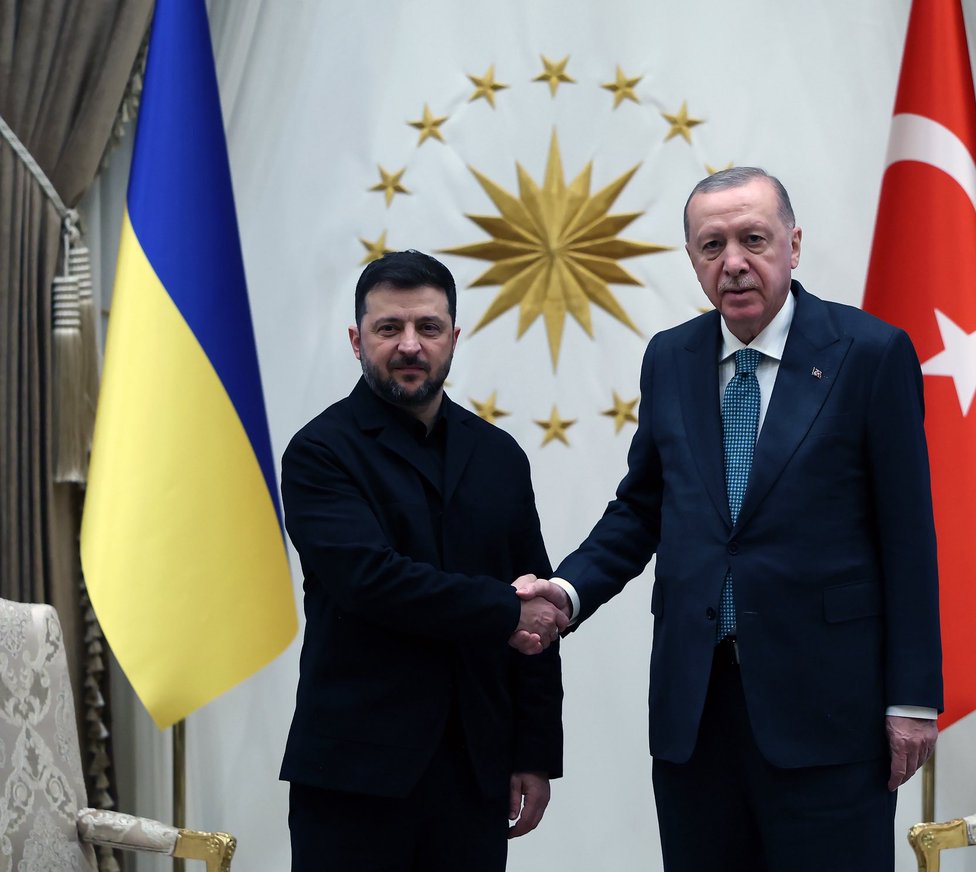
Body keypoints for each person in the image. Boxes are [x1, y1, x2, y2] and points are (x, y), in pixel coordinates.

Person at [524, 167, 942, 869]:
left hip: (830, 716)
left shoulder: (869, 354)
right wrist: (566, 592)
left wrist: (914, 698)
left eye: (754, 239)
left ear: (794, 244)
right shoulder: (671, 358)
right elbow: (642, 508)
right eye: (712, 246)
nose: (734, 263)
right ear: (692, 258)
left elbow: (908, 537)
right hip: (698, 713)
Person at [280, 250, 567, 871]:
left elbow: (538, 611)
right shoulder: (318, 452)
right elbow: (370, 581)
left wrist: (534, 751)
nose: (410, 345)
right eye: (390, 329)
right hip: (354, 775)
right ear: (357, 340)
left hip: (474, 772)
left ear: (454, 338)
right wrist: (502, 609)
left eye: (428, 328)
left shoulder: (499, 456)